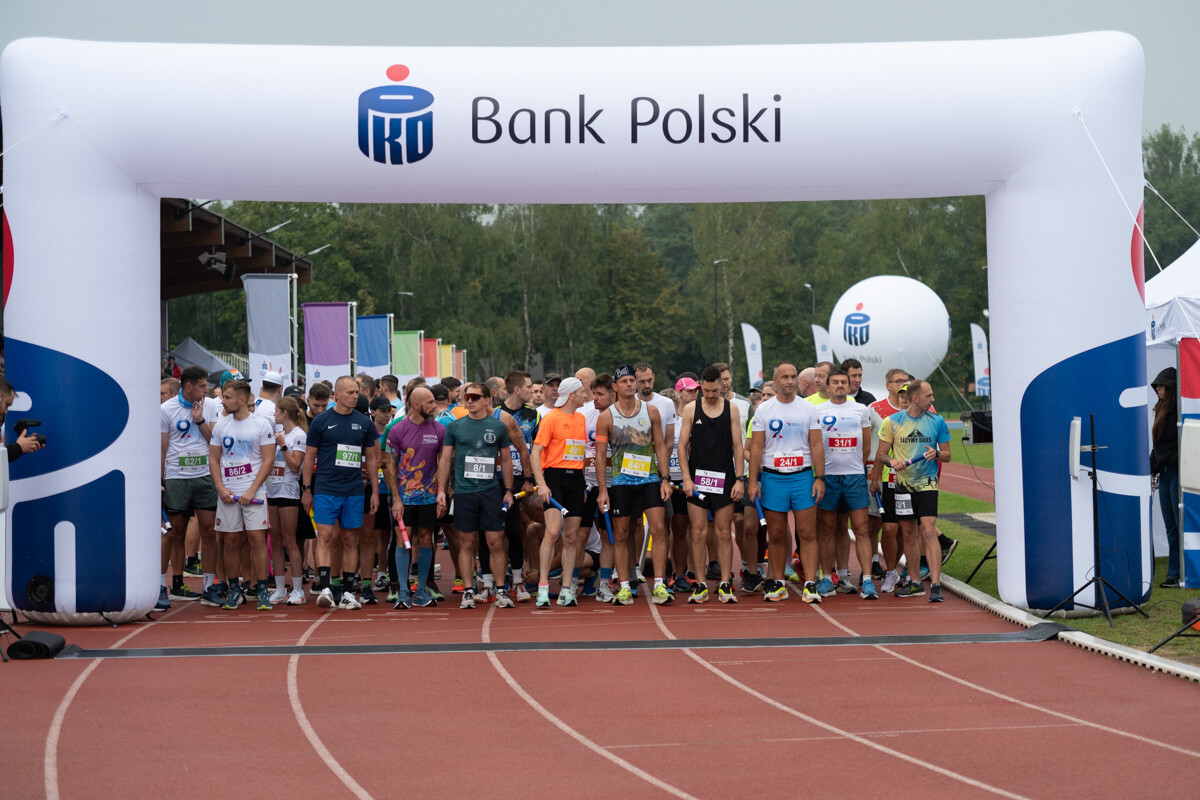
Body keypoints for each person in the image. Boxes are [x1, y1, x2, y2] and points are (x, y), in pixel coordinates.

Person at [746, 361, 825, 604]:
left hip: (802, 477)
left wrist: (819, 478)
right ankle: (778, 582)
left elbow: (816, 445)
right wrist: (752, 482)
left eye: (793, 377)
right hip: (773, 477)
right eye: (785, 377)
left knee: (807, 532)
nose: (790, 381)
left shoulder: (808, 409)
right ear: (776, 380)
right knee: (777, 533)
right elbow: (756, 447)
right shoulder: (764, 410)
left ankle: (811, 583)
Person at [596, 365, 673, 605]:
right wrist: (602, 491)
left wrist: (665, 478)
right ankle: (625, 586)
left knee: (659, 529)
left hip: (650, 479)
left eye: (633, 381)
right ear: (615, 388)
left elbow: (660, 445)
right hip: (621, 482)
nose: (630, 384)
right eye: (625, 381)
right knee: (621, 534)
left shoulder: (651, 412)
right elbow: (600, 456)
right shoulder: (607, 416)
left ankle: (659, 585)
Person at [301, 376, 381, 610]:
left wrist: (375, 491)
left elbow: (372, 459)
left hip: (354, 490)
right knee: (325, 536)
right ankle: (326, 588)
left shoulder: (365, 423)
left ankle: (347, 592)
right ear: (336, 395)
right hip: (326, 488)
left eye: (356, 392)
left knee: (350, 539)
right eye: (349, 392)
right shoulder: (321, 421)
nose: (355, 396)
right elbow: (309, 457)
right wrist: (307, 489)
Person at [869, 380, 951, 601]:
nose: (933, 399)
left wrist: (936, 453)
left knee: (928, 529)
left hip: (927, 485)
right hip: (902, 487)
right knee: (908, 534)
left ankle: (935, 584)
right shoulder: (892, 422)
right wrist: (892, 461)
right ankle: (915, 582)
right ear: (916, 398)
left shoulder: (937, 421)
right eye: (929, 395)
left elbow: (948, 455)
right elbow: (882, 454)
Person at [436, 382, 514, 609]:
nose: (469, 401)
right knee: (467, 542)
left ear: (487, 400)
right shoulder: (455, 427)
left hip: (490, 491)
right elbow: (445, 460)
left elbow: (506, 460)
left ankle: (500, 590)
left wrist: (508, 491)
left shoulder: (498, 427)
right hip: (464, 492)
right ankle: (468, 591)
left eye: (475, 397)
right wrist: (442, 490)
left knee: (495, 541)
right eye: (466, 397)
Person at [677, 365, 745, 604]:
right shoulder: (691, 409)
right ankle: (701, 584)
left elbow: (738, 446)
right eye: (706, 391)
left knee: (724, 532)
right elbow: (682, 446)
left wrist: (740, 478)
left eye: (714, 390)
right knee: (697, 533)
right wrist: (686, 478)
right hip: (698, 480)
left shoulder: (732, 409)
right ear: (701, 388)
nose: (711, 395)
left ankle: (725, 583)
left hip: (725, 479)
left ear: (721, 386)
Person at [209, 380, 276, 610]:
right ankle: (234, 591)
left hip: (254, 492)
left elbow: (268, 460)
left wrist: (251, 490)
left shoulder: (261, 425)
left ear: (241, 400)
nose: (222, 401)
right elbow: (214, 458)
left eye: (227, 397)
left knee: (257, 540)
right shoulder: (221, 425)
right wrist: (220, 487)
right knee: (230, 542)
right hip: (228, 493)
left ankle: (263, 591)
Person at [814, 370, 876, 598]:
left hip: (854, 477)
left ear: (849, 387)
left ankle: (867, 581)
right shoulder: (817, 411)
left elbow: (866, 447)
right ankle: (827, 578)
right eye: (835, 382)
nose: (840, 385)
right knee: (828, 529)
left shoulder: (861, 410)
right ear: (827, 387)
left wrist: (854, 469)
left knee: (861, 529)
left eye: (844, 382)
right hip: (828, 477)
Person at [159, 367, 217, 609]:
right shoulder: (166, 409)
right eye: (202, 386)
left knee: (209, 531)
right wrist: (160, 480)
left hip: (205, 476)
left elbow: (215, 439)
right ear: (188, 386)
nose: (205, 390)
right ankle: (164, 586)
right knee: (174, 533)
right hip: (176, 477)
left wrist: (200, 419)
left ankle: (209, 587)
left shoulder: (210, 405)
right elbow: (162, 448)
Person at [384, 384, 445, 608]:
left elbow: (443, 465)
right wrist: (396, 499)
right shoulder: (397, 430)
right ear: (416, 405)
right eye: (430, 402)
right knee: (402, 540)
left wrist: (441, 493)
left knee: (426, 539)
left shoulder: (439, 430)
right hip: (405, 497)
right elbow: (389, 465)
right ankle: (402, 591)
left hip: (428, 498)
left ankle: (420, 591)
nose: (434, 406)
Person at [531, 376, 589, 607]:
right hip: (554, 477)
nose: (587, 395)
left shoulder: (581, 418)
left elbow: (580, 454)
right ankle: (543, 587)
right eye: (583, 392)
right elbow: (535, 453)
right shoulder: (551, 418)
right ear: (572, 395)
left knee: (571, 537)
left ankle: (566, 588)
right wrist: (542, 484)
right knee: (553, 531)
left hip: (575, 480)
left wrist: (583, 484)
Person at [266, 396, 308, 605]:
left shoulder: (298, 436)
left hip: (289, 491)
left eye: (276, 411)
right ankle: (281, 589)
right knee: (275, 541)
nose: (273, 414)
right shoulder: (278, 434)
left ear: (284, 413)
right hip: (272, 491)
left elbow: (295, 466)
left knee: (290, 541)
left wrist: (283, 446)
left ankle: (298, 590)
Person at [1151, 367, 1181, 588]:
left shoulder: (1178, 410)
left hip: (1177, 472)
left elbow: (1179, 443)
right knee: (1171, 526)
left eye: (1161, 385)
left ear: (1169, 387)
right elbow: (1158, 446)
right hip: (1165, 472)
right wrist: (1152, 468)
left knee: (1179, 525)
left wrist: (1164, 462)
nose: (1157, 389)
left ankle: (1178, 572)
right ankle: (1173, 573)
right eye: (1157, 386)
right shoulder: (1159, 409)